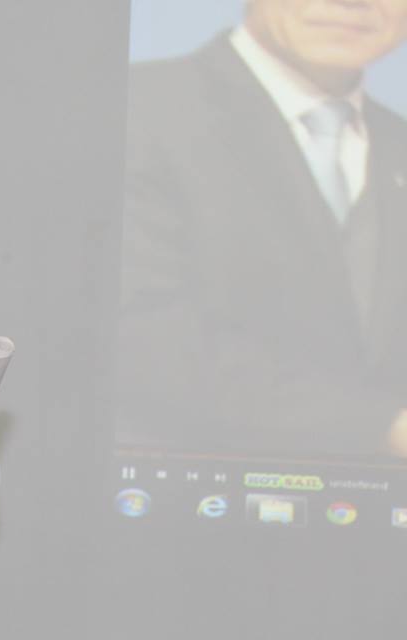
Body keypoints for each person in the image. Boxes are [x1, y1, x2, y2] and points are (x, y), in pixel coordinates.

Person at [117, 0, 407, 458]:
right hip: (174, 489)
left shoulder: (398, 144)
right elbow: (143, 340)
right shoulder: (134, 107)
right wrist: (382, 427)